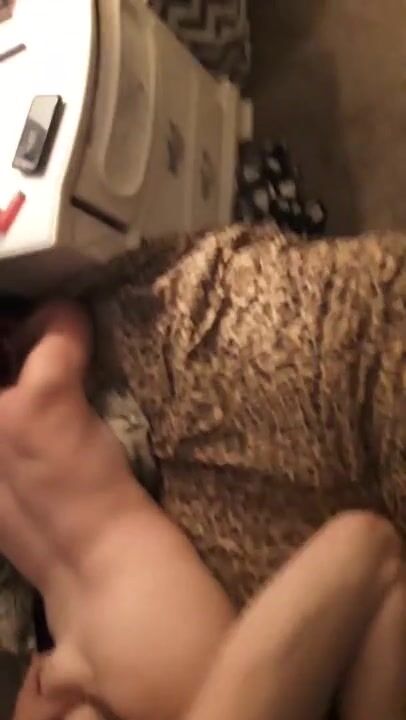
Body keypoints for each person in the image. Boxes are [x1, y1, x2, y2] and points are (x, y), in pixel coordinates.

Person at [5, 303, 406, 720]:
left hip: (71, 665)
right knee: (368, 540)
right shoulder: (42, 391)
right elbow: (67, 317)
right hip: (145, 628)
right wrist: (22, 332)